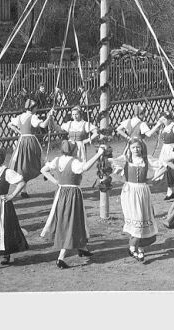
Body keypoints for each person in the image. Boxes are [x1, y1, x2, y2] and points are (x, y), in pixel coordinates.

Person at [40, 140, 105, 268]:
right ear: (74, 150)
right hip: (72, 194)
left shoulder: (57, 160)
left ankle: (82, 247)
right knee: (70, 221)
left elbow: (43, 170)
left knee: (75, 219)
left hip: (61, 193)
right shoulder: (74, 162)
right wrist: (99, 154)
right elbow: (85, 167)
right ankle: (61, 257)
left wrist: (56, 182)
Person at [108, 137, 165, 263]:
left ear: (141, 147)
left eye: (138, 147)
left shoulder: (146, 159)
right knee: (136, 219)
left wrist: (152, 179)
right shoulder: (126, 159)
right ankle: (134, 247)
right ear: (129, 148)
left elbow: (163, 166)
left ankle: (138, 247)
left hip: (143, 191)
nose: (135, 149)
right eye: (133, 147)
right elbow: (112, 162)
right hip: (130, 192)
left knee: (143, 219)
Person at [9, 100, 54, 198]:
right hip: (30, 141)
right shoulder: (33, 117)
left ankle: (24, 190)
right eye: (36, 107)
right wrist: (49, 117)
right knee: (37, 158)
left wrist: (19, 131)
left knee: (22, 163)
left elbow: (10, 124)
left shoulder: (20, 116)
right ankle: (46, 172)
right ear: (32, 108)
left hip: (21, 141)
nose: (36, 109)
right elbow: (43, 125)